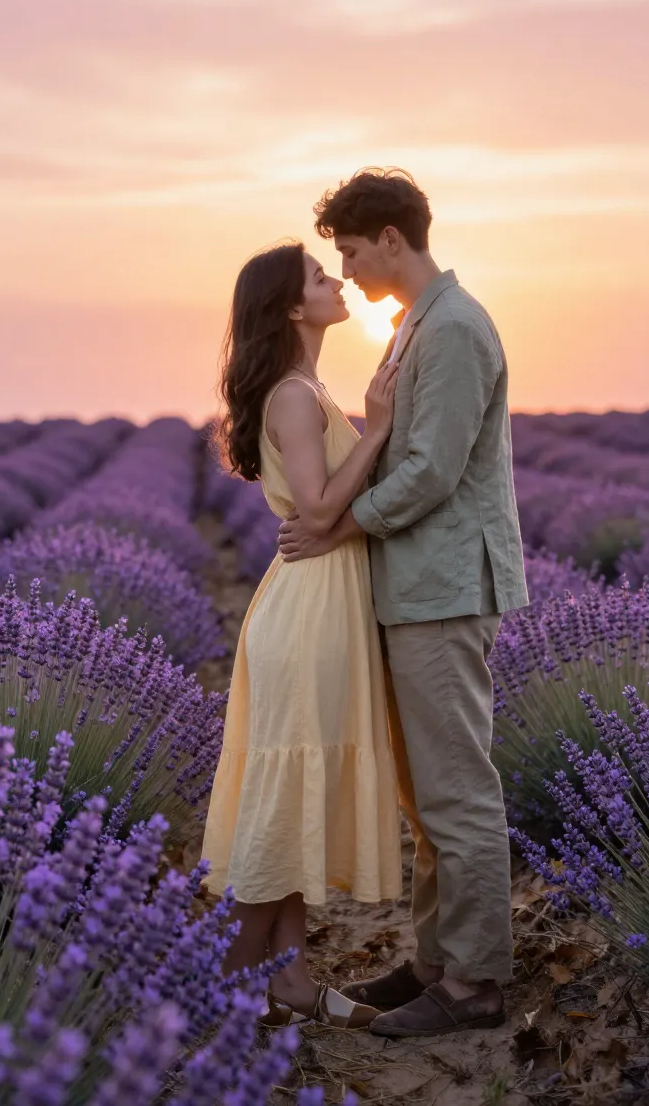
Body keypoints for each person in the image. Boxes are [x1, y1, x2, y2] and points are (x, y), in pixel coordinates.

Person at [279, 168, 529, 1038]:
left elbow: (432, 469)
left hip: (446, 586)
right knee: (428, 797)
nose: (344, 270)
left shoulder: (454, 328)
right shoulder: (413, 327)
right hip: (416, 585)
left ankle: (475, 987)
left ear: (392, 238)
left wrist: (339, 528)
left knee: (458, 791)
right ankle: (435, 964)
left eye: (350, 251)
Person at [200, 241, 405, 1029]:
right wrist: (380, 430)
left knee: (293, 797)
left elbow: (321, 515)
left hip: (320, 601)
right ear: (292, 307)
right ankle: (220, 987)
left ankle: (288, 978)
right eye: (320, 278)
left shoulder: (306, 388)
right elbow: (318, 510)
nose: (336, 282)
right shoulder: (294, 395)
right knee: (285, 804)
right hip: (309, 611)